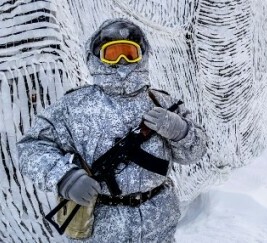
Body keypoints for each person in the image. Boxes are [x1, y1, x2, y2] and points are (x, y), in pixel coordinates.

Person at [17, 18, 207, 242]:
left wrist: (181, 131)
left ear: (142, 55)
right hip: (102, 228)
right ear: (96, 57)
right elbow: (31, 148)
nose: (122, 61)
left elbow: (195, 153)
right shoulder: (74, 106)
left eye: (129, 52)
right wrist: (65, 177)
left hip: (159, 223)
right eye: (113, 53)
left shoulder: (162, 102)